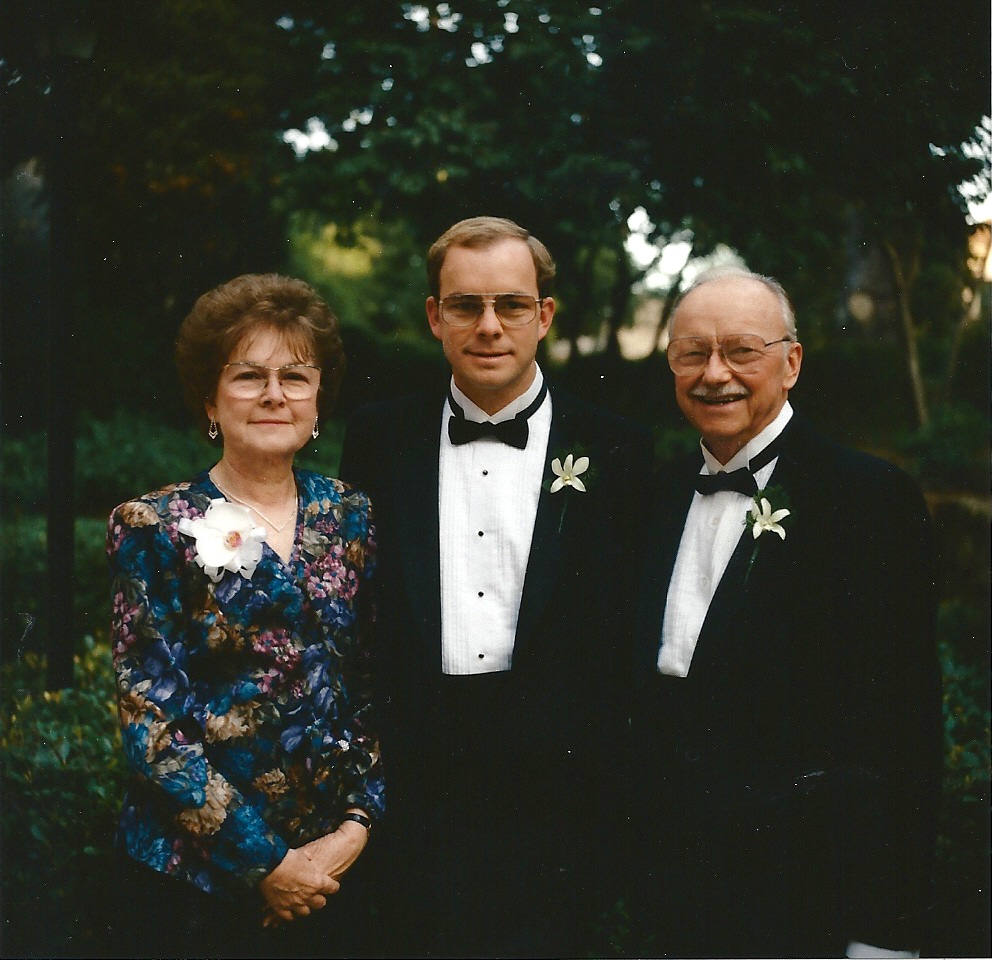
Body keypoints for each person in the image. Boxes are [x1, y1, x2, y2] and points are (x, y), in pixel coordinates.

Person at [339, 216, 653, 958]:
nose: (488, 326)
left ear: (544, 315)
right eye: (465, 305)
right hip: (417, 792)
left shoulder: (619, 447)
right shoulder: (379, 438)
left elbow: (628, 631)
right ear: (434, 316)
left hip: (558, 804)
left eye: (510, 305)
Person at [630, 267, 942, 958]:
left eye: (742, 350)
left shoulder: (867, 500)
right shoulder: (656, 495)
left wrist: (886, 934)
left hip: (807, 900)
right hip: (674, 897)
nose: (715, 374)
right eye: (692, 353)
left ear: (791, 362)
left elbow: (905, 730)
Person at [106, 273, 383, 959]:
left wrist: (356, 826)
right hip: (197, 886)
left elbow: (375, 685)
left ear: (318, 401)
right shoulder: (154, 526)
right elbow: (151, 726)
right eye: (248, 376)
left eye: (295, 377)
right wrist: (268, 865)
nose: (273, 394)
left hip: (334, 876)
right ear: (210, 399)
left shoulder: (350, 515)